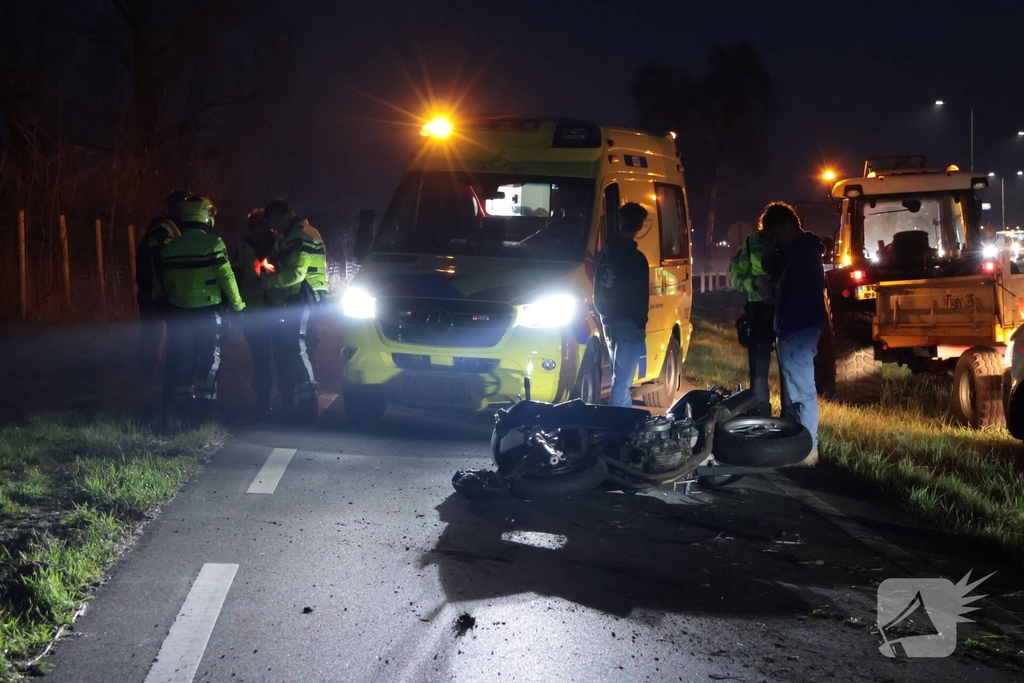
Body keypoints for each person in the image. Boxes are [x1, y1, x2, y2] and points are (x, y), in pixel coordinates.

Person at [160, 195, 245, 422]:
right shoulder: (214, 245)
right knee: (210, 358)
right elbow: (227, 278)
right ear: (205, 216)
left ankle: (183, 408)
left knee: (183, 358)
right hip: (209, 312)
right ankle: (207, 408)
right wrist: (238, 306)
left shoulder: (170, 248)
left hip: (179, 312)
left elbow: (166, 283)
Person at [760, 202, 826, 467]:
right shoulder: (803, 250)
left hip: (796, 328)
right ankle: (803, 448)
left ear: (787, 225)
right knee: (799, 392)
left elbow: (795, 291)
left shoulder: (803, 253)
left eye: (776, 233)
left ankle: (808, 451)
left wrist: (786, 328)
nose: (776, 240)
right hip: (798, 328)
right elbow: (774, 271)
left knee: (802, 394)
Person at [261, 198, 329, 421]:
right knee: (301, 348)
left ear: (284, 216)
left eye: (273, 222)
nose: (273, 228)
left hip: (306, 297)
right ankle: (306, 400)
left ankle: (308, 405)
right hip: (304, 298)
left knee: (299, 348)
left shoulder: (301, 236)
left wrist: (269, 283)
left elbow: (296, 274)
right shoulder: (295, 236)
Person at [593, 202, 650, 408]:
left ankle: (622, 420)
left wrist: (601, 314)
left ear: (620, 222)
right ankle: (617, 422)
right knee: (622, 382)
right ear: (640, 226)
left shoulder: (603, 254)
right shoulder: (636, 259)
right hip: (629, 324)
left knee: (619, 378)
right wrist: (640, 324)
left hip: (608, 321)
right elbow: (640, 295)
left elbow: (596, 286)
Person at [730, 224, 789, 417]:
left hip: (783, 310)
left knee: (781, 371)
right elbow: (735, 275)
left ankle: (772, 418)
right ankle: (763, 417)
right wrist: (753, 283)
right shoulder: (753, 242)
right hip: (762, 312)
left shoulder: (791, 240)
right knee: (764, 372)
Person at [135, 190, 189, 373]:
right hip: (155, 291)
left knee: (158, 334)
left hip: (157, 290)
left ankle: (151, 371)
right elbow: (159, 262)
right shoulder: (164, 230)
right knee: (155, 334)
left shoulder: (169, 229)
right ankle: (148, 372)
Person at [232, 208, 279, 413]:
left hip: (277, 309)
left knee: (283, 355)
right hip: (254, 312)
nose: (255, 231)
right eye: (252, 227)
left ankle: (287, 397)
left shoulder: (279, 243)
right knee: (260, 358)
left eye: (259, 226)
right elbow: (235, 273)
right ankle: (263, 400)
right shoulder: (244, 246)